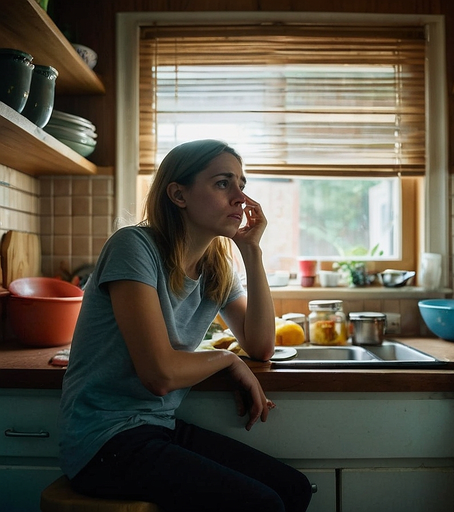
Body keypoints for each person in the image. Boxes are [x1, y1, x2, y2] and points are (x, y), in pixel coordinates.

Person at [58, 139, 312, 512]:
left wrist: (252, 253)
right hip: (103, 441)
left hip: (155, 428)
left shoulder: (215, 266)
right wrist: (228, 360)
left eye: (242, 184)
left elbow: (261, 345)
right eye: (223, 183)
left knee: (294, 489)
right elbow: (159, 374)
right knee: (263, 504)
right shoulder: (133, 247)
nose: (240, 197)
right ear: (178, 194)